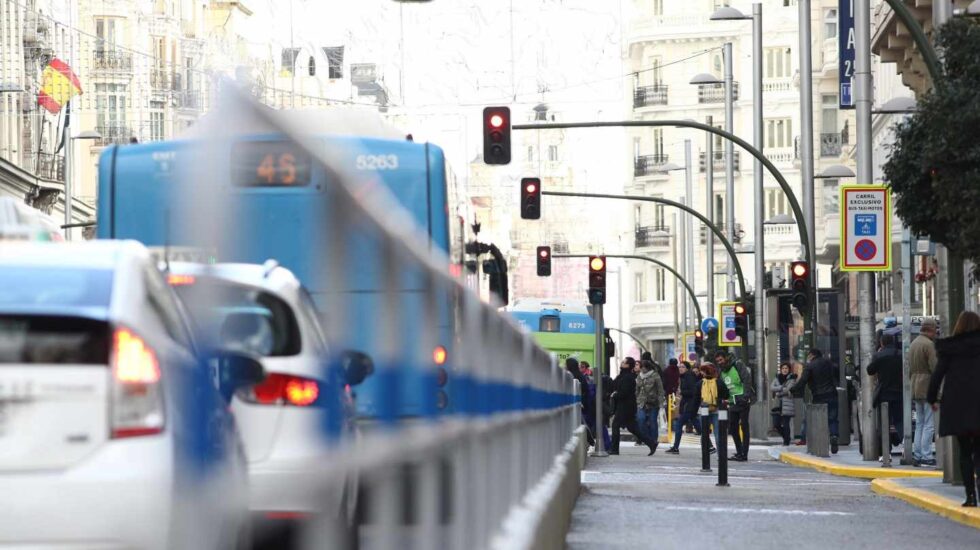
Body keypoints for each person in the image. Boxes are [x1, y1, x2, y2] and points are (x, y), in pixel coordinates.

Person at [928, 311, 980, 507]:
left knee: (965, 451)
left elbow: (937, 375)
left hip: (959, 405)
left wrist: (932, 399)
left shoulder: (951, 348)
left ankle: (970, 496)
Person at [794, 348, 841, 453]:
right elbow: (837, 375)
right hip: (832, 393)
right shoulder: (829, 363)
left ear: (811, 355)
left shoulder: (810, 366)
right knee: (833, 418)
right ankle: (833, 435)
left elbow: (803, 381)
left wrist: (793, 390)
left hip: (818, 395)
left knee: (819, 420)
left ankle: (821, 443)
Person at [608, 358, 658, 455]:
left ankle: (614, 449)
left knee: (615, 425)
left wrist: (614, 395)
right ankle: (651, 443)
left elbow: (624, 392)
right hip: (626, 406)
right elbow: (614, 385)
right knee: (632, 427)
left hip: (626, 406)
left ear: (627, 365)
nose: (621, 363)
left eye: (623, 362)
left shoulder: (628, 377)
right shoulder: (623, 376)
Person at [714, 351, 755, 461]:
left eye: (721, 360)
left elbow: (747, 379)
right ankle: (739, 451)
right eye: (717, 361)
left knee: (744, 426)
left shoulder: (737, 364)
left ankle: (744, 454)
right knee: (733, 428)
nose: (720, 362)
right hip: (732, 402)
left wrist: (745, 397)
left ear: (726, 358)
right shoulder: (721, 371)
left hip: (742, 400)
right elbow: (723, 386)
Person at [867, 333, 904, 451]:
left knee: (884, 422)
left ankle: (886, 450)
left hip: (884, 393)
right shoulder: (900, 354)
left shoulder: (878, 355)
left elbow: (870, 370)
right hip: (899, 391)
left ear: (882, 343)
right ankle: (903, 441)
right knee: (899, 420)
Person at [910, 318, 939, 466]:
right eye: (935, 330)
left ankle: (918, 454)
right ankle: (926, 455)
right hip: (927, 386)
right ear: (930, 330)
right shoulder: (929, 345)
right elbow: (935, 368)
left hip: (915, 386)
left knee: (920, 423)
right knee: (929, 424)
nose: (936, 333)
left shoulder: (914, 343)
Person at [566, 357, 610, 450]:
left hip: (586, 405)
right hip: (588, 404)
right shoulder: (580, 376)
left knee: (592, 424)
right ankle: (604, 444)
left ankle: (600, 444)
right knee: (596, 424)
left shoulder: (575, 377)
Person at [666, 361, 701, 453]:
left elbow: (693, 391)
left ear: (687, 369)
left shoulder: (689, 377)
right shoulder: (684, 377)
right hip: (688, 405)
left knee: (679, 424)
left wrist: (682, 392)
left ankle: (676, 447)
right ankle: (710, 445)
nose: (680, 368)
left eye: (683, 367)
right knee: (697, 425)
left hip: (689, 405)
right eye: (680, 367)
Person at [635, 359, 665, 456]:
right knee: (640, 420)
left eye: (643, 367)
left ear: (648, 368)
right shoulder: (639, 376)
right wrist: (636, 399)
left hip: (653, 402)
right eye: (641, 368)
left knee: (653, 421)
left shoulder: (655, 376)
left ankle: (654, 440)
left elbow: (660, 390)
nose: (642, 369)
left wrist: (661, 404)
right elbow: (637, 389)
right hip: (641, 402)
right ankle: (647, 438)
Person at [699, 362, 728, 453]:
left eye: (703, 371)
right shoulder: (719, 382)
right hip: (717, 410)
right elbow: (726, 394)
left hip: (704, 411)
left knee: (704, 434)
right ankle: (721, 455)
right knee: (718, 434)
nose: (701, 373)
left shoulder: (700, 383)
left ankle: (705, 455)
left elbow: (696, 398)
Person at [770, 362, 797, 446]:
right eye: (783, 368)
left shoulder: (792, 378)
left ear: (789, 370)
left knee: (786, 424)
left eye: (786, 368)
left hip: (787, 404)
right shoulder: (777, 378)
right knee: (776, 424)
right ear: (781, 369)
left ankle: (786, 442)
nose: (784, 370)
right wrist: (781, 388)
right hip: (777, 404)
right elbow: (772, 387)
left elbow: (788, 389)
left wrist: (778, 392)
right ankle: (786, 438)